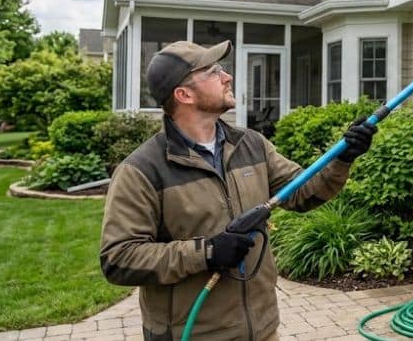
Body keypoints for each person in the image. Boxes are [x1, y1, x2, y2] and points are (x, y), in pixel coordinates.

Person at [99, 40, 376, 341]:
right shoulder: (143, 170)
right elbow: (119, 259)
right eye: (213, 71)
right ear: (184, 94)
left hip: (262, 329)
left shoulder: (251, 145)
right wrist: (207, 253)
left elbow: (303, 192)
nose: (227, 76)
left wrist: (344, 157)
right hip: (194, 335)